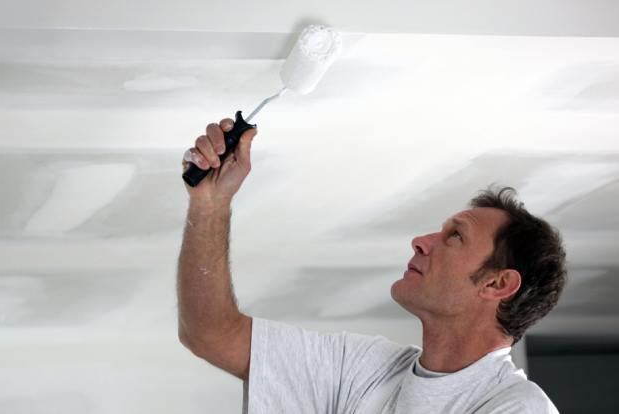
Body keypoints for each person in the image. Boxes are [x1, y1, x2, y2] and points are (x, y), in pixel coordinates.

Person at [177, 118, 566, 413]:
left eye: (455, 237)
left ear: (498, 285)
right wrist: (210, 205)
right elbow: (211, 334)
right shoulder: (366, 371)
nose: (421, 241)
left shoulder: (514, 407)